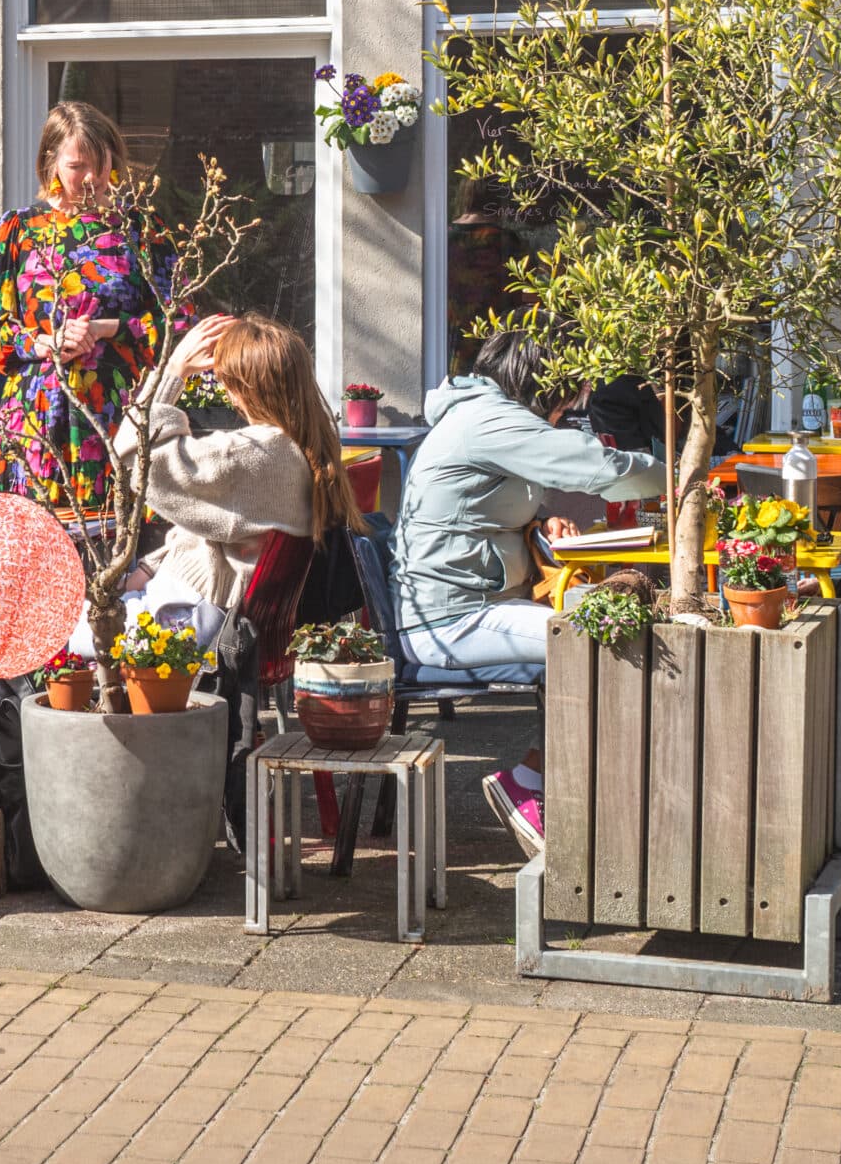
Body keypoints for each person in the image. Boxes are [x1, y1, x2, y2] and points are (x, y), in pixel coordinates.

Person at [390, 328, 664, 855]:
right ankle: (530, 783)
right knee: (614, 639)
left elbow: (473, 505)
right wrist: (682, 473)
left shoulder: (476, 412)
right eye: (569, 396)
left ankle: (561, 787)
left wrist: (539, 518)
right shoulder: (490, 419)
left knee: (614, 629)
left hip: (468, 606)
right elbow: (597, 468)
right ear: (544, 383)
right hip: (453, 621)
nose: (568, 409)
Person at [69, 312, 356, 661]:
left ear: (240, 390)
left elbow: (134, 450)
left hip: (186, 623)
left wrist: (174, 371)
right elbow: (220, 530)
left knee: (54, 628)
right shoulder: (303, 447)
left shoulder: (251, 456)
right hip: (200, 611)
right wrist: (149, 568)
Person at [0, 101, 187, 512]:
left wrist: (110, 329)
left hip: (115, 415)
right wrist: (43, 343)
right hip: (35, 417)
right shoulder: (20, 229)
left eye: (101, 164)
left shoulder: (140, 230)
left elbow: (180, 319)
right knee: (34, 550)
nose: (92, 178)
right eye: (77, 166)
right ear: (50, 164)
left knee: (113, 541)